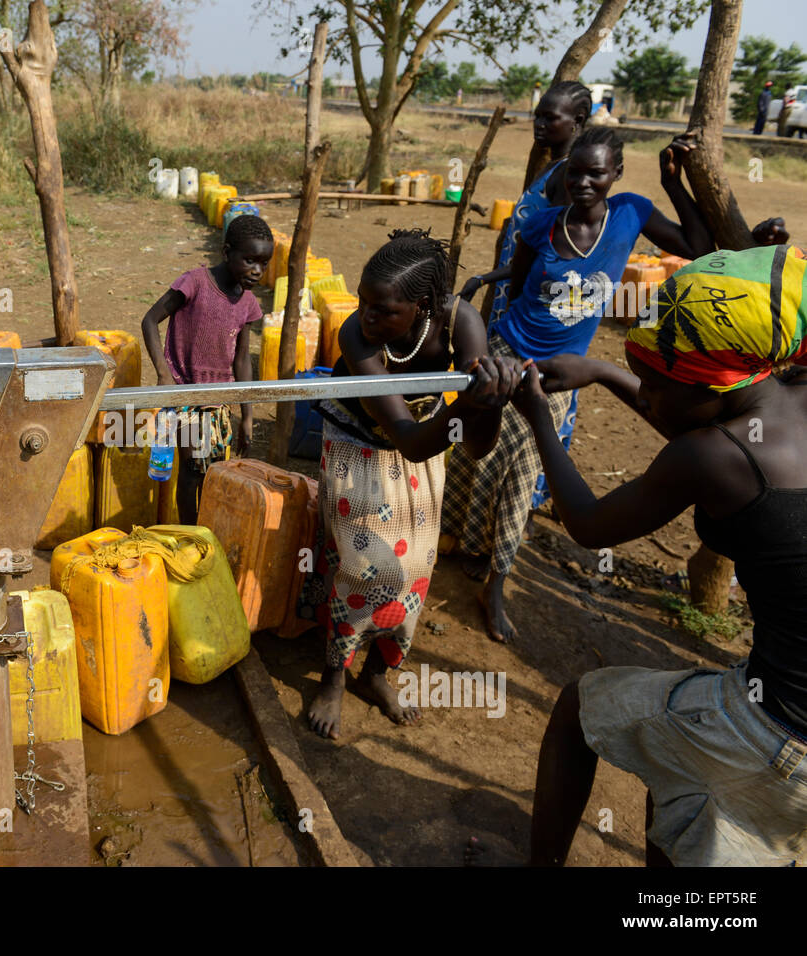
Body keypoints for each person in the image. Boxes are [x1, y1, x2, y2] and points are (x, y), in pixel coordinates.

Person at [515, 245, 807, 866]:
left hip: (777, 732)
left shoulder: (712, 457)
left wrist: (540, 415)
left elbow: (590, 526)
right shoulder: (784, 398)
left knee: (577, 709)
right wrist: (601, 372)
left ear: (717, 386)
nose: (646, 395)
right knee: (674, 772)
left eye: (655, 383)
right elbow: (707, 434)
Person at [441, 127, 714, 644]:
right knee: (479, 452)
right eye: (576, 172)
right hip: (508, 352)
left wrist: (673, 183)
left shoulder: (631, 213)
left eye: (596, 172)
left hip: (563, 370)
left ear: (616, 174)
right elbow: (519, 290)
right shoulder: (542, 225)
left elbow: (700, 246)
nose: (584, 181)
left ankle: (496, 581)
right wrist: (511, 347)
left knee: (525, 469)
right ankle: (462, 538)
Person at [304, 230, 520, 736]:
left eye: (382, 309)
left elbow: (477, 445)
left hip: (428, 434)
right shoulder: (357, 337)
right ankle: (335, 675)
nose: (366, 317)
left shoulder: (460, 321)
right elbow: (410, 440)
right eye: (362, 302)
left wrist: (492, 399)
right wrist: (468, 402)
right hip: (363, 440)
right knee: (365, 566)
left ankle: (377, 673)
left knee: (416, 569)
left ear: (422, 305)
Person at [460, 81, 593, 515]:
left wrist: (488, 278)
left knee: (521, 416)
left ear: (578, 121)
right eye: (537, 115)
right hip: (512, 300)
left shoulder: (572, 178)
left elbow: (549, 257)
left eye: (549, 118)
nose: (539, 124)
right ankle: (503, 513)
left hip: (533, 313)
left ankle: (515, 513)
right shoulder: (556, 169)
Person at [140, 213, 272, 523]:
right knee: (190, 470)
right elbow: (149, 320)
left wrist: (248, 416)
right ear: (227, 253)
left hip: (218, 402)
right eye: (249, 260)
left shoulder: (249, 304)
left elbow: (242, 360)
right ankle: (190, 535)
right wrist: (163, 374)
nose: (256, 271)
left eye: (263, 264)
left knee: (210, 472)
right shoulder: (196, 283)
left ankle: (203, 530)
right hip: (184, 393)